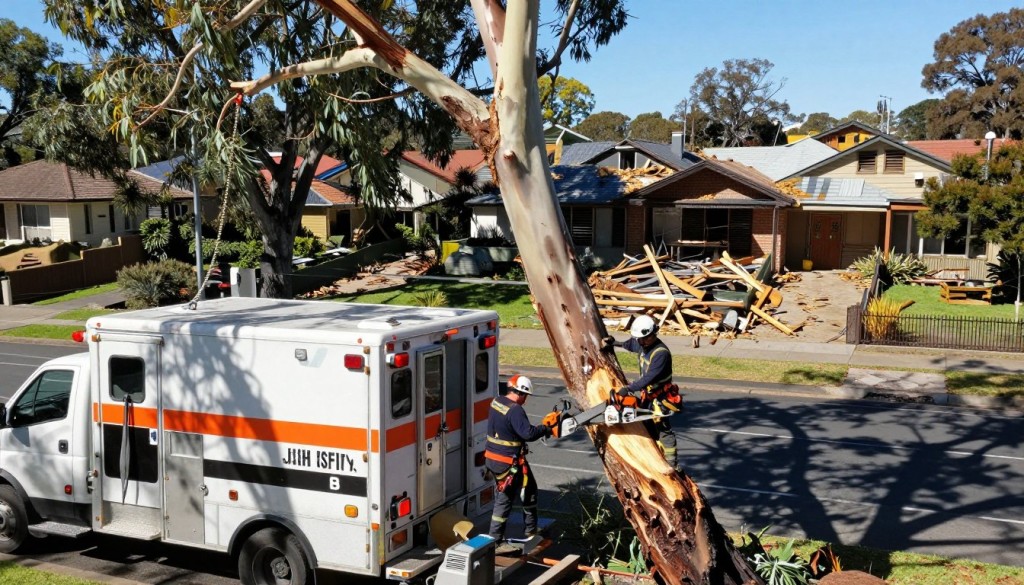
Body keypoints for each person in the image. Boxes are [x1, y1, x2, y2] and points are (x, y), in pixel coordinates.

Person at [603, 315, 684, 474]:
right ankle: (654, 455)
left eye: (644, 339)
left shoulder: (661, 353)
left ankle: (672, 463)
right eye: (639, 339)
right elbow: (631, 344)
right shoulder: (642, 344)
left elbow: (649, 377)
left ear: (653, 334)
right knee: (647, 426)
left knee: (663, 428)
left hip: (661, 397)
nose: (640, 342)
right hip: (648, 396)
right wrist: (615, 343)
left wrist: (628, 389)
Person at [485, 374, 553, 552]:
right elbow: (528, 434)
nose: (526, 400)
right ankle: (496, 540)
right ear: (522, 394)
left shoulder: (497, 401)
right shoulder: (515, 410)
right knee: (504, 499)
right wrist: (545, 429)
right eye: (526, 396)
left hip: (494, 459)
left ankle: (531, 530)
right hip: (508, 464)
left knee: (529, 489)